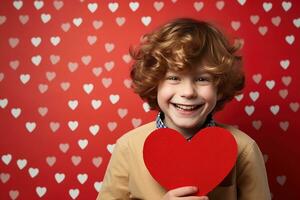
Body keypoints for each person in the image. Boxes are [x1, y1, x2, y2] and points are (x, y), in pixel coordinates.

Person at [97, 18, 271, 200]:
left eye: (202, 79)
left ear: (219, 87)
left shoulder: (244, 149)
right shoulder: (128, 146)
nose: (188, 92)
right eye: (173, 78)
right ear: (154, 83)